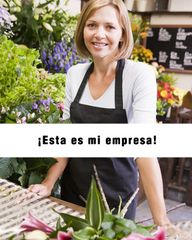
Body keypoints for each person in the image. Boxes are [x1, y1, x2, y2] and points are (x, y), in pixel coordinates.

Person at [29, 0, 170, 225]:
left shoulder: (138, 76)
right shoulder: (75, 74)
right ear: (83, 29)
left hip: (117, 200)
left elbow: (145, 151)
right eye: (92, 25)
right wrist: (48, 183)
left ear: (123, 34)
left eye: (110, 27)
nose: (99, 34)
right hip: (73, 194)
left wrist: (162, 222)